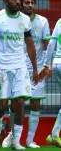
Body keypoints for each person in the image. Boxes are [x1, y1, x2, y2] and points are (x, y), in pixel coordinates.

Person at [0, 0, 38, 150]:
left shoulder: (25, 20)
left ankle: (16, 140)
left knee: (20, 102)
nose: (18, 2)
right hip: (1, 68)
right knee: (1, 105)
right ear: (6, 1)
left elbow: (30, 44)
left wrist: (34, 69)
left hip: (20, 67)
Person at [2, 0, 52, 148]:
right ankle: (13, 134)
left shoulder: (43, 21)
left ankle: (30, 140)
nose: (30, 5)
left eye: (32, 3)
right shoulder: (14, 22)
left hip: (36, 69)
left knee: (35, 104)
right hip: (17, 66)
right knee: (16, 103)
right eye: (27, 2)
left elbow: (48, 45)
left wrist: (47, 65)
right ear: (21, 4)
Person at [39, 17, 61, 148]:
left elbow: (52, 44)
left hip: (58, 63)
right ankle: (54, 134)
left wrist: (47, 64)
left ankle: (54, 133)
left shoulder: (59, 21)